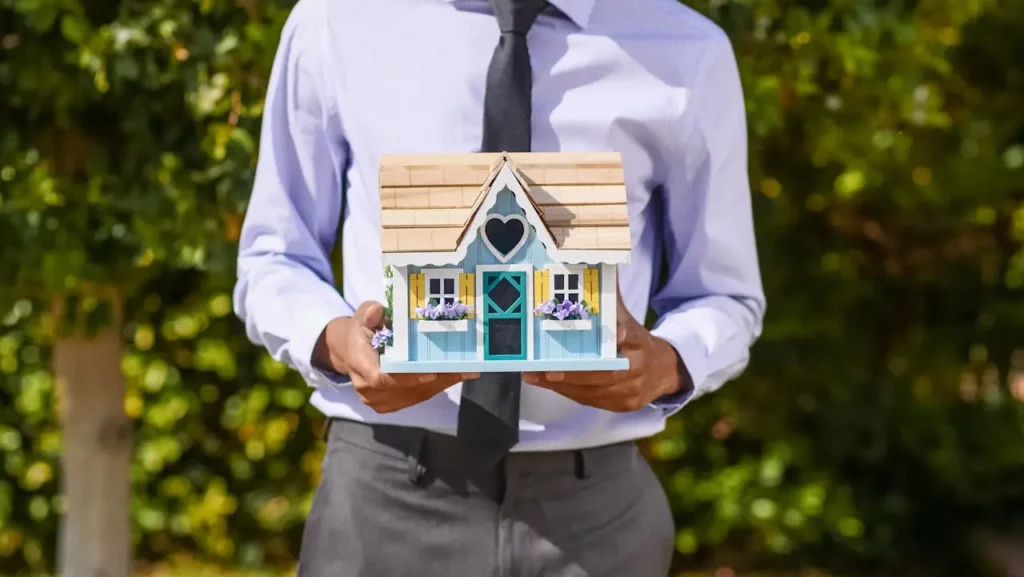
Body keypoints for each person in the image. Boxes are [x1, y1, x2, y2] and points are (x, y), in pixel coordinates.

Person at [233, 0, 766, 574]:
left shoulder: (687, 49)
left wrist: (664, 364)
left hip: (597, 519)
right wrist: (336, 341)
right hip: (383, 500)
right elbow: (274, 256)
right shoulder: (335, 21)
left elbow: (725, 295)